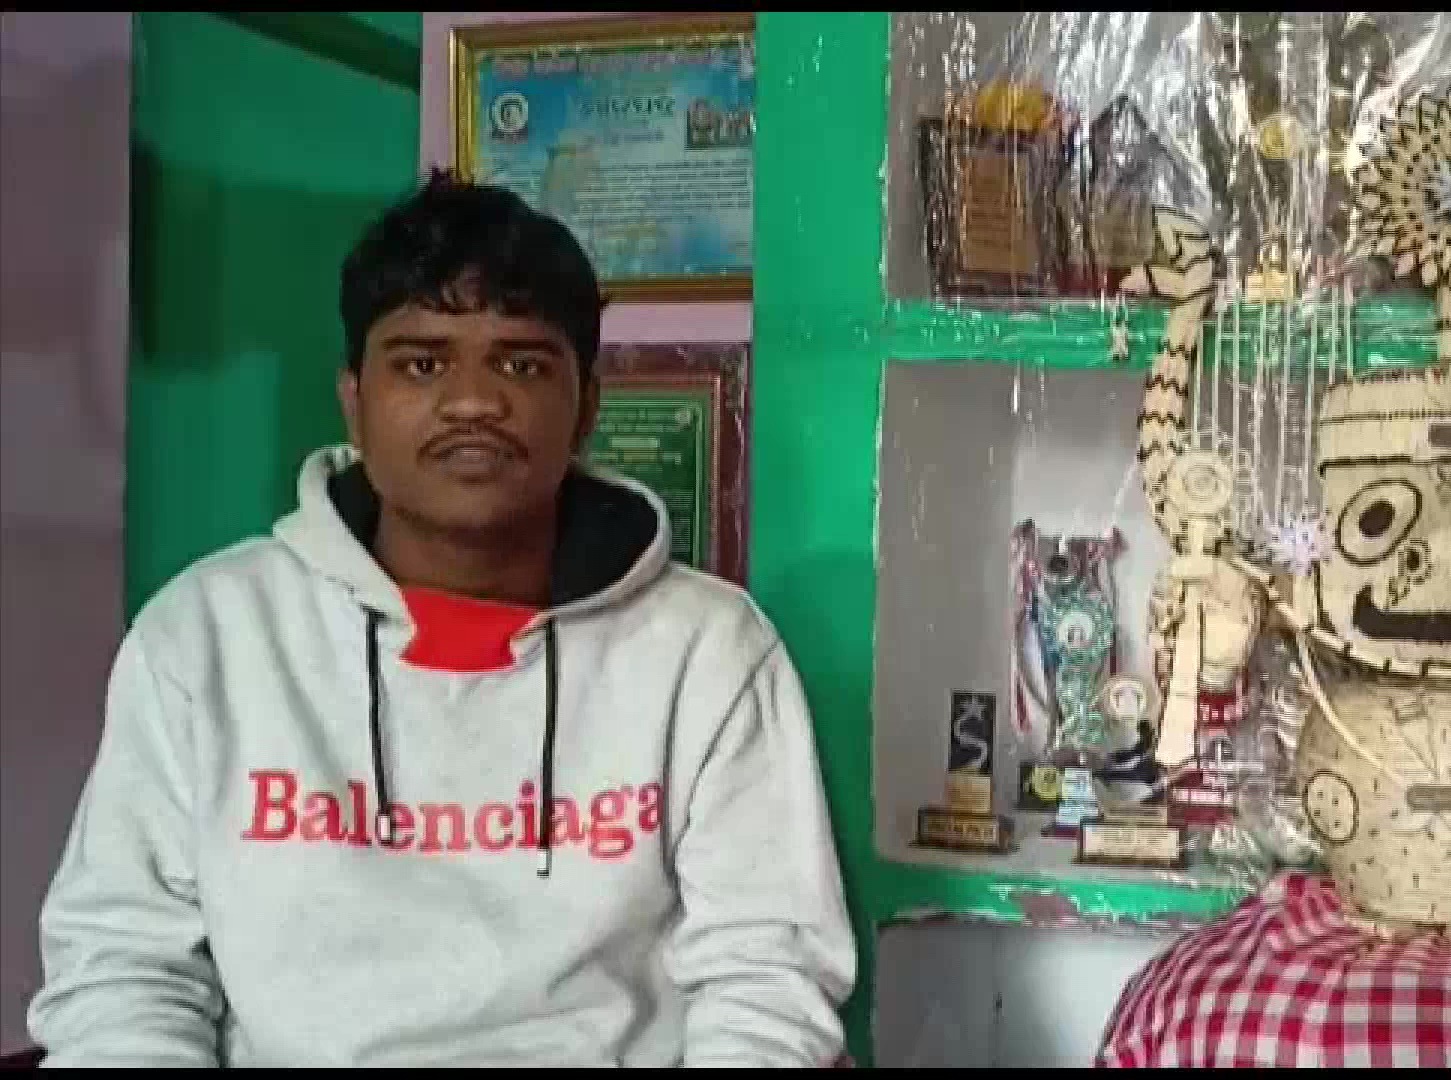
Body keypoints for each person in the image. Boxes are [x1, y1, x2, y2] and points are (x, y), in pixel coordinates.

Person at [26, 171, 857, 1067]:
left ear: (586, 408)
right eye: (422, 362)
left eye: (522, 363)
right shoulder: (207, 637)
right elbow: (124, 970)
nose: (472, 401)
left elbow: (767, 980)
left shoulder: (708, 652)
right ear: (354, 396)